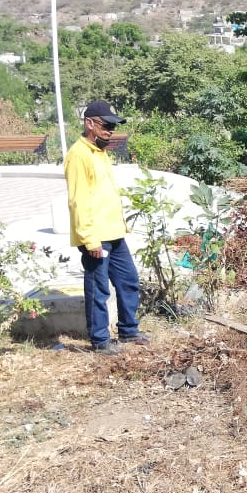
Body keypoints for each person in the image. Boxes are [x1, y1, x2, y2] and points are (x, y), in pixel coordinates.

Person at [64, 100, 148, 355]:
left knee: (128, 281)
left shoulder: (99, 153)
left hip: (114, 233)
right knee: (98, 289)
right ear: (89, 123)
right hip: (96, 237)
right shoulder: (79, 155)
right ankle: (100, 341)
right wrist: (90, 240)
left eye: (113, 126)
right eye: (106, 125)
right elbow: (78, 200)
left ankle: (128, 330)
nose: (110, 131)